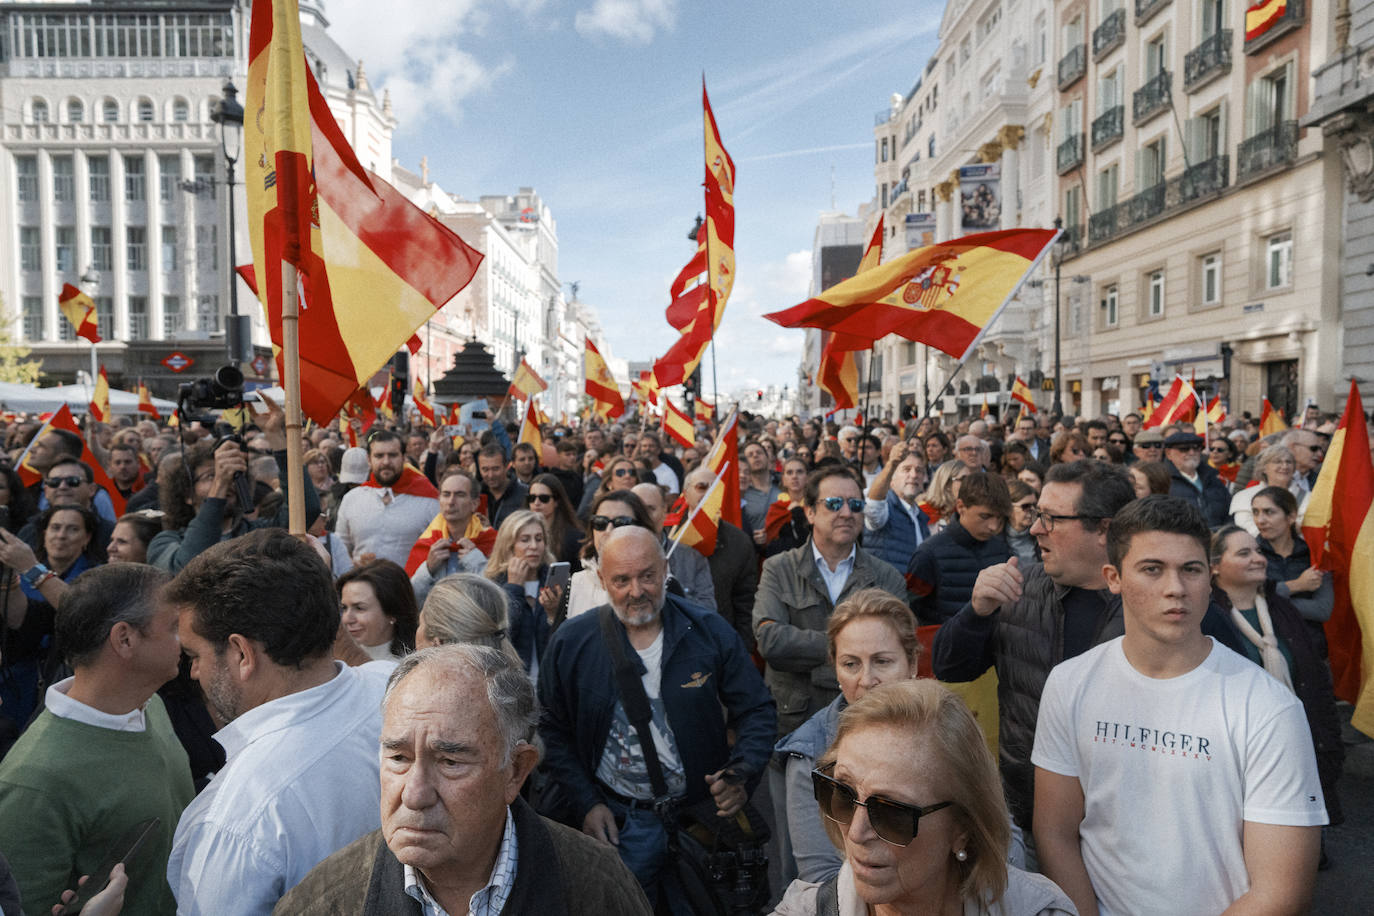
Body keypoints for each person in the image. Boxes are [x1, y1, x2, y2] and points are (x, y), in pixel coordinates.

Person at [1033, 497, 1326, 916]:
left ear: (1210, 579)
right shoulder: (1070, 683)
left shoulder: (1269, 708)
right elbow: (1055, 833)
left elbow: (1280, 894)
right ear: (1113, 577)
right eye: (1152, 569)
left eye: (1190, 569)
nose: (1176, 588)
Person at [273, 645, 652, 915]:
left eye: (450, 761)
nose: (415, 794)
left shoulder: (596, 886)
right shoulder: (322, 902)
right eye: (399, 758)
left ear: (516, 770)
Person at [538, 527, 776, 908]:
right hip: (619, 825)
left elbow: (757, 710)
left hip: (700, 824)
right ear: (602, 580)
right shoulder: (572, 642)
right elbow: (552, 728)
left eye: (647, 576)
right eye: (622, 580)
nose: (637, 591)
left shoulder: (708, 631)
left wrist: (741, 774)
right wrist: (586, 804)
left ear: (666, 569)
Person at [165, 529, 393, 914]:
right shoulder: (395, 689)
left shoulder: (235, 820)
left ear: (241, 652)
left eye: (195, 654)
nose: (193, 672)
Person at [774, 679, 1076, 916]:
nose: (856, 833)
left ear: (963, 828)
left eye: (891, 813)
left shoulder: (1040, 911)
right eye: (841, 794)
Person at [0, 564, 194, 916]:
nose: (187, 639)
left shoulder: (151, 704)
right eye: (173, 627)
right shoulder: (33, 782)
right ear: (124, 639)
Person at [774, 589, 920, 883]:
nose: (867, 681)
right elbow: (820, 880)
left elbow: (1000, 840)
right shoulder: (810, 755)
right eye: (851, 664)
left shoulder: (951, 731)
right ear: (836, 669)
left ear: (912, 664)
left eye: (882, 661)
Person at [1209, 526, 1344, 833]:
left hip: (1295, 751)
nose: (1258, 558)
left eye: (1257, 551)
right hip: (1237, 761)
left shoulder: (1282, 609)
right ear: (1214, 566)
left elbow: (1315, 683)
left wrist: (1330, 745)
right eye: (1244, 553)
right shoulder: (1205, 617)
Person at [149, 399, 320, 572]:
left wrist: (276, 435)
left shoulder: (260, 536)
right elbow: (186, 568)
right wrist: (219, 485)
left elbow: (306, 510)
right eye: (210, 475)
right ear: (187, 494)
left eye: (231, 473)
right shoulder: (165, 542)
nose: (226, 478)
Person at [907, 472, 1013, 626]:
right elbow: (910, 613)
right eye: (985, 516)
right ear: (961, 506)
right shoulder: (928, 553)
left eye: (999, 518)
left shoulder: (1001, 549)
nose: (994, 526)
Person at [678, 466, 759, 649]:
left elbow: (745, 600)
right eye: (701, 487)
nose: (708, 494)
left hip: (720, 640)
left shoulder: (739, 542)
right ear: (685, 494)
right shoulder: (669, 536)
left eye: (714, 489)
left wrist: (743, 647)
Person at [335, 430, 440, 568]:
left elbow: (439, 551)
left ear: (403, 458)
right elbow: (340, 550)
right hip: (361, 584)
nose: (386, 462)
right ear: (369, 460)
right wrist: (354, 564)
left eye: (393, 455)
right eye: (379, 456)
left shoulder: (429, 501)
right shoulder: (352, 499)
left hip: (412, 588)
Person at [1252, 486, 1333, 654]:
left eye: (1269, 512)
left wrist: (1270, 600)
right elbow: (1250, 599)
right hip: (1267, 651)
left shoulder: (1313, 554)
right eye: (1255, 512)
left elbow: (1322, 609)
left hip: (1312, 649)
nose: (1260, 520)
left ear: (1291, 516)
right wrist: (1296, 585)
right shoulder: (1249, 554)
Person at [484, 510, 562, 675]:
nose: (533, 546)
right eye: (525, 540)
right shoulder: (494, 585)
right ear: (509, 547)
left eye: (539, 539)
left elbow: (564, 642)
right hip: (513, 684)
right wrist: (513, 588)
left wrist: (553, 615)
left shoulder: (554, 582)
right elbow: (500, 638)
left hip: (549, 685)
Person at [406, 467, 497, 606]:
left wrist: (476, 562)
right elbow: (410, 601)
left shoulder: (492, 542)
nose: (451, 501)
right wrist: (428, 569)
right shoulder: (428, 542)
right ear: (439, 500)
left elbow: (499, 598)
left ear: (474, 504)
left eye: (459, 495)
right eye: (446, 494)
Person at [567, 490, 657, 618]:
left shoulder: (662, 585)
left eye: (621, 523)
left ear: (642, 528)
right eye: (600, 523)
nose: (608, 531)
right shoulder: (575, 583)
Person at [631, 481, 716, 611]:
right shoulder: (615, 558)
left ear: (664, 510)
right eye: (638, 510)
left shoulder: (692, 558)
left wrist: (678, 598)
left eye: (650, 509)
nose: (644, 517)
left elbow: (708, 609)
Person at [414, 573, 522, 666]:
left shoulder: (411, 688)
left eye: (420, 624)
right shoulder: (516, 686)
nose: (416, 631)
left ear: (437, 642)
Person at [862, 439, 931, 574]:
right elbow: (873, 505)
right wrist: (892, 463)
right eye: (906, 469)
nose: (914, 475)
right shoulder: (886, 507)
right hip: (885, 592)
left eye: (919, 471)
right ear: (891, 478)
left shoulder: (921, 517)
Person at [337, 559, 420, 662]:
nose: (346, 619)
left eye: (359, 608)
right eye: (344, 608)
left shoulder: (411, 667)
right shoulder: (335, 658)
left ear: (392, 612)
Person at [1229, 445, 1306, 536]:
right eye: (1278, 462)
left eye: (1288, 462)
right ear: (1264, 468)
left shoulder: (1309, 498)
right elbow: (1248, 529)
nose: (1284, 466)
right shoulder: (1244, 497)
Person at [1161, 431, 1229, 527]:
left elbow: (1228, 513)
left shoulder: (1213, 479)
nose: (1192, 452)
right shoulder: (1162, 480)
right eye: (1184, 449)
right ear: (1168, 454)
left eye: (1196, 448)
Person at [527, 473, 584, 567]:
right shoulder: (518, 532)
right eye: (532, 498)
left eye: (544, 498)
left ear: (556, 501)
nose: (536, 503)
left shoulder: (574, 538)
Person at [763, 456, 812, 557]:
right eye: (789, 473)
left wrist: (798, 514)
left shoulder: (814, 506)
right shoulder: (776, 509)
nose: (794, 476)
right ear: (784, 480)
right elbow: (769, 543)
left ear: (807, 478)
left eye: (799, 472)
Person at [477, 444, 529, 529]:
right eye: (485, 470)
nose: (490, 475)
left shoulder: (525, 494)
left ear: (506, 466)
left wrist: (491, 532)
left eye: (495, 469)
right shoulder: (475, 496)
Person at [742, 440, 781, 540]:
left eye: (759, 453)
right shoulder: (742, 492)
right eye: (750, 455)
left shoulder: (783, 484)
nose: (755, 456)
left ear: (767, 457)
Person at [1004, 480, 1039, 567]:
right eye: (1026, 506)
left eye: (1034, 505)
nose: (1032, 510)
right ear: (1008, 508)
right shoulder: (995, 539)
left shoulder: (1041, 535)